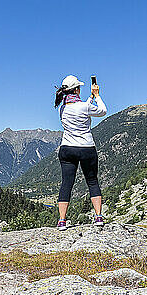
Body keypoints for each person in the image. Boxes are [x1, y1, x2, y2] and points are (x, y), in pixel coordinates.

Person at [54, 74, 107, 230]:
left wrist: (90, 98)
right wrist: (97, 96)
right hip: (86, 148)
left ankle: (62, 221)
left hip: (67, 149)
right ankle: (98, 217)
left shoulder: (62, 108)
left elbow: (81, 108)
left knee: (66, 184)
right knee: (92, 181)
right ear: (77, 90)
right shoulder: (84, 106)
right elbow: (102, 111)